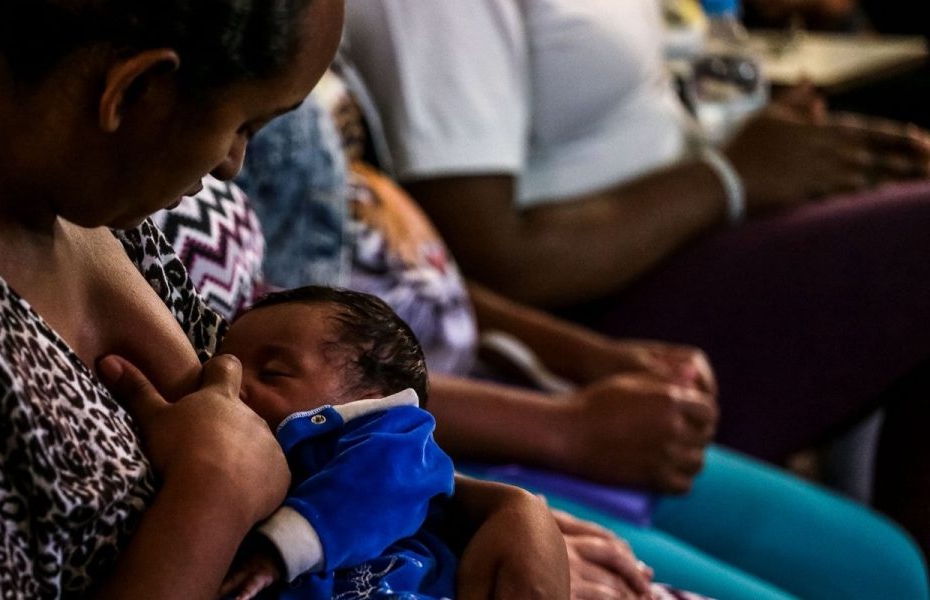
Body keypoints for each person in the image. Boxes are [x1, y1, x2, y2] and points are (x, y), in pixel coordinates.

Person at [0, 0, 577, 597]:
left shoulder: (60, 182)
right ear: (133, 93)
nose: (231, 167)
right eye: (243, 124)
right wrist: (210, 497)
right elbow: (233, 455)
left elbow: (276, 426)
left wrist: (487, 509)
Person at [234, 74, 930, 600]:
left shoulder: (310, 67)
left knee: (892, 570)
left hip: (486, 411)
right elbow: (315, 372)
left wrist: (589, 360)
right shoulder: (234, 137)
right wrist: (565, 430)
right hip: (474, 444)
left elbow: (417, 276)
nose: (233, 157)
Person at [340, 0, 930, 558]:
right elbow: (494, 258)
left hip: (672, 240)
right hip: (588, 305)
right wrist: (730, 177)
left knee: (890, 563)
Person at [217, 286, 456, 600]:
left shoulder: (398, 437)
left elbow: (382, 480)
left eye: (272, 373)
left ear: (372, 399)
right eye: (222, 364)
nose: (229, 380)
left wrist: (278, 549)